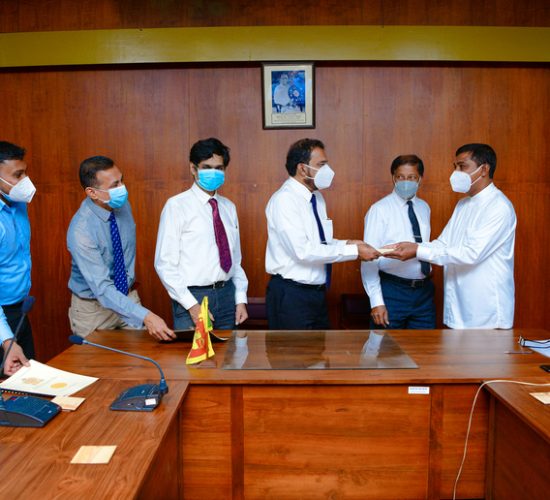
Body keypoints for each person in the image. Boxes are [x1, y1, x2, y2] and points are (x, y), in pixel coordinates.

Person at [385, 144, 516, 329]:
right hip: (460, 307)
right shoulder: (463, 205)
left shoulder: (498, 207)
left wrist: (418, 250)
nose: (456, 173)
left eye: (462, 167)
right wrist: (413, 247)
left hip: (486, 311)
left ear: (484, 169)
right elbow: (443, 243)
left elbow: (471, 254)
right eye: (455, 167)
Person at [265, 138, 380, 330]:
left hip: (316, 294)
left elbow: (320, 243)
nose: (328, 170)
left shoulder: (316, 198)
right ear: (302, 169)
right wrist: (354, 252)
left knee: (318, 349)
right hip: (291, 295)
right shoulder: (284, 200)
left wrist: (349, 243)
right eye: (321, 165)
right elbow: (303, 251)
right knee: (293, 350)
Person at [67, 156, 174, 340]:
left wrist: (136, 309)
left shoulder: (122, 205)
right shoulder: (81, 231)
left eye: (121, 180)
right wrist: (146, 316)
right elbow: (102, 288)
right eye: (114, 185)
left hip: (127, 298)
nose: (122, 188)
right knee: (99, 360)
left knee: (142, 356)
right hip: (94, 310)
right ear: (92, 192)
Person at [155, 138, 248, 330]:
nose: (213, 172)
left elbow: (235, 260)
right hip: (192, 297)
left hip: (227, 295)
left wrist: (240, 299)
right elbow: (165, 264)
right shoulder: (176, 206)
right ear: (193, 168)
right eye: (207, 167)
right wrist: (191, 305)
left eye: (219, 168)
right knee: (194, 351)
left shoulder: (229, 208)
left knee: (228, 350)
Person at [361, 155, 436, 329]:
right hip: (392, 291)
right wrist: (376, 302)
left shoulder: (424, 207)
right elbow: (369, 258)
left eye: (411, 177)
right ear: (393, 178)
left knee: (424, 345)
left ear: (420, 179)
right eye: (400, 177)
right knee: (385, 345)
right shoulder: (379, 210)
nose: (405, 182)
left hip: (424, 293)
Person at [0, 141, 34, 375]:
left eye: (25, 172)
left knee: (30, 381)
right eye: (17, 175)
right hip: (1, 318)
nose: (25, 181)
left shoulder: (18, 204)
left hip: (19, 310)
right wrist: (6, 340)